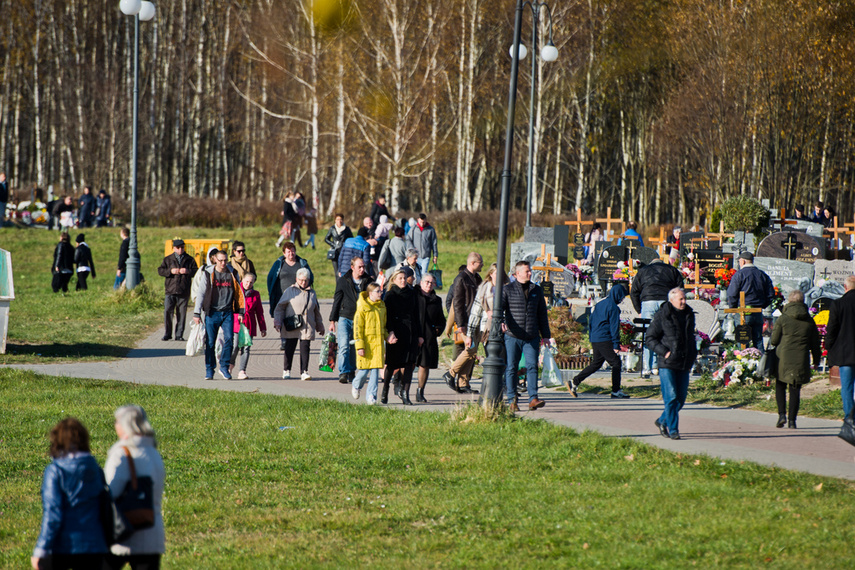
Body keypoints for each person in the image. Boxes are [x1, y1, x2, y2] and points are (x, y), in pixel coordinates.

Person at [31, 417, 108, 570]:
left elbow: (53, 514)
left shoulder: (56, 472)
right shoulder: (95, 469)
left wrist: (41, 547)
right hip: (95, 545)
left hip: (63, 546)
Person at [103, 405, 166, 570]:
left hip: (122, 532)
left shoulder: (122, 453)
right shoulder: (153, 453)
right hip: (151, 532)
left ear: (125, 425)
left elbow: (110, 493)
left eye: (117, 421)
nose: (115, 425)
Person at [646, 288, 697, 440]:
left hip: (684, 362)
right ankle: (673, 429)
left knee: (681, 399)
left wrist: (693, 352)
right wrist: (665, 352)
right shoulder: (662, 315)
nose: (683, 302)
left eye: (684, 299)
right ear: (672, 300)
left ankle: (662, 420)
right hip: (667, 362)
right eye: (680, 299)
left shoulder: (689, 314)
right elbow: (650, 338)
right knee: (671, 397)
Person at [503, 260, 551, 411]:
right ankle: (512, 400)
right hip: (513, 336)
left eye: (530, 271)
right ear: (517, 274)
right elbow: (500, 309)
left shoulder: (536, 290)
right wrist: (502, 322)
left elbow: (542, 314)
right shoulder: (508, 290)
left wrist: (546, 336)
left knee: (532, 366)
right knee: (511, 367)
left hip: (531, 336)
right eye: (527, 271)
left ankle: (533, 398)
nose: (530, 273)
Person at [567, 282, 629, 398]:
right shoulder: (613, 307)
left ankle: (574, 382)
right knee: (616, 363)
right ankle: (616, 391)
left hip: (596, 338)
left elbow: (591, 320)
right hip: (604, 338)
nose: (622, 299)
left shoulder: (601, 304)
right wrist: (616, 344)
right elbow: (614, 327)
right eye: (622, 296)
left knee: (596, 363)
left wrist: (591, 336)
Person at [769, 290, 821, 429]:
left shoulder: (783, 318)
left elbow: (774, 341)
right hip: (801, 357)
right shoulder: (809, 321)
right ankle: (792, 421)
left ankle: (781, 415)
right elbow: (815, 344)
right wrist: (816, 360)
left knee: (780, 385)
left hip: (782, 358)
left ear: (789, 301)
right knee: (795, 389)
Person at [193, 250, 246, 380]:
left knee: (229, 339)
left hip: (228, 312)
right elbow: (201, 293)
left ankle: (224, 366)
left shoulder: (232, 273)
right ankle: (209, 369)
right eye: (221, 260)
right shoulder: (208, 273)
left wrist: (240, 311)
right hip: (212, 312)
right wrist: (197, 312)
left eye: (225, 260)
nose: (223, 263)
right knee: (210, 342)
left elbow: (239, 292)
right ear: (215, 260)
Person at [630, 258, 684, 378]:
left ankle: (646, 368)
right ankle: (658, 366)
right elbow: (680, 289)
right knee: (664, 334)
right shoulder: (672, 270)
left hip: (648, 301)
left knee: (648, 335)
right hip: (665, 302)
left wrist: (639, 310)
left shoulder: (643, 270)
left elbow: (634, 292)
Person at [273, 267, 324, 381]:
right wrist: (277, 322)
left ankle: (304, 372)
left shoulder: (312, 293)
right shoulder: (289, 291)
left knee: (305, 348)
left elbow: (316, 310)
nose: (303, 282)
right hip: (292, 324)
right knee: (289, 348)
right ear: (296, 279)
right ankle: (286, 370)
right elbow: (280, 307)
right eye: (301, 280)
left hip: (307, 325)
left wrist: (320, 326)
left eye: (305, 280)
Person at [442, 252, 483, 394]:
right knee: (469, 349)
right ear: (472, 263)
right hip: (466, 322)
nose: (482, 264)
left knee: (472, 352)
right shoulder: (461, 279)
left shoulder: (477, 278)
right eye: (480, 262)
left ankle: (463, 383)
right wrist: (460, 325)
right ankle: (450, 374)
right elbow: (457, 304)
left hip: (476, 320)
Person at [381, 268, 423, 405]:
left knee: (409, 364)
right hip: (396, 333)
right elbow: (387, 317)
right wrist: (390, 332)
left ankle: (405, 393)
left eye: (405, 278)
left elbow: (417, 315)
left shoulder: (412, 294)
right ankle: (385, 388)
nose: (403, 280)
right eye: (400, 278)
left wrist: (419, 335)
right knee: (392, 364)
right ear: (394, 280)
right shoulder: (390, 295)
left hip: (410, 332)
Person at [329, 257, 372, 384]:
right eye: (360, 267)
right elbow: (337, 300)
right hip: (345, 317)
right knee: (343, 346)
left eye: (363, 266)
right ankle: (343, 372)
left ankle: (352, 371)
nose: (362, 269)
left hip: (360, 320)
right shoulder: (343, 281)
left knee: (354, 347)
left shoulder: (368, 281)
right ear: (352, 267)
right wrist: (332, 321)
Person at [726, 251, 774, 352]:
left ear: (743, 261)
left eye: (739, 261)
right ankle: (761, 364)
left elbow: (732, 294)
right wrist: (763, 305)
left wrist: (733, 308)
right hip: (757, 313)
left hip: (743, 312)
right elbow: (770, 294)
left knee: (743, 341)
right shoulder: (762, 274)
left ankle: (743, 364)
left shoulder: (739, 274)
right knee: (758, 341)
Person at [352, 282, 390, 404]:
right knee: (364, 371)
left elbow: (383, 327)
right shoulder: (362, 308)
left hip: (378, 345)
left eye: (381, 291)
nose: (381, 293)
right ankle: (356, 385)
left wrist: (388, 337)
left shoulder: (382, 307)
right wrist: (360, 346)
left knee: (375, 371)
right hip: (366, 344)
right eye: (378, 291)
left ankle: (371, 396)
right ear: (370, 293)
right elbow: (358, 329)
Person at [825, 275, 855, 420]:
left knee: (847, 387)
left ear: (845, 287)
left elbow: (831, 329)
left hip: (845, 353)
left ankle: (849, 416)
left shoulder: (838, 304)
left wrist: (828, 347)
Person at [157, 239, 198, 342]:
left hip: (183, 290)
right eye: (178, 248)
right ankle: (167, 334)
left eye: (182, 247)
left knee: (182, 313)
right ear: (174, 248)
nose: (180, 250)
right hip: (170, 290)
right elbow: (160, 270)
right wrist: (170, 271)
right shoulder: (168, 259)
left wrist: (187, 271)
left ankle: (179, 334)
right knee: (168, 312)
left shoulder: (190, 259)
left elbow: (196, 272)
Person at [229, 272, 267, 380]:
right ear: (242, 280)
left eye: (251, 282)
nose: (248, 284)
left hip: (249, 323)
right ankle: (230, 366)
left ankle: (242, 371)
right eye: (246, 281)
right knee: (235, 345)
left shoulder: (256, 294)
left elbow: (259, 312)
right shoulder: (235, 291)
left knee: (246, 347)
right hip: (236, 322)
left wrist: (263, 328)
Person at [415, 273, 444, 403]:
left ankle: (420, 391)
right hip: (413, 333)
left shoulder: (436, 300)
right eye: (426, 282)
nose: (429, 285)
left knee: (424, 364)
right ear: (421, 282)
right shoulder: (414, 296)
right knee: (407, 363)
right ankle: (401, 386)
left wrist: (437, 329)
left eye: (431, 283)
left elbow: (441, 318)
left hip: (428, 336)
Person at [267, 242, 313, 319]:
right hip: (282, 297)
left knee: (298, 320)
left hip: (298, 297)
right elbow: (270, 278)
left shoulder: (302, 263)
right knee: (282, 321)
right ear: (284, 253)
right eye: (288, 252)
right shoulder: (278, 264)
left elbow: (310, 277)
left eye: (293, 251)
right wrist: (271, 292)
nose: (291, 253)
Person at [407, 213, 438, 277]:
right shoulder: (413, 229)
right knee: (416, 274)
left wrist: (435, 256)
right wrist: (412, 249)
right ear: (418, 220)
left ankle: (423, 286)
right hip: (416, 256)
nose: (422, 224)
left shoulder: (430, 230)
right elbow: (408, 239)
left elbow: (434, 243)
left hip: (426, 256)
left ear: (426, 220)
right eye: (421, 222)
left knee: (423, 273)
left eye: (423, 222)